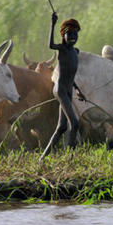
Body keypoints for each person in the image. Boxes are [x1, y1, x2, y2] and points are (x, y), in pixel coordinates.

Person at [40, 12, 86, 158]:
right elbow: (50, 45)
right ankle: (69, 158)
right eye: (69, 34)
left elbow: (70, 76)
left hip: (69, 90)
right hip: (60, 90)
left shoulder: (75, 52)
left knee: (62, 127)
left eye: (75, 34)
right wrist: (53, 23)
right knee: (75, 123)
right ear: (64, 36)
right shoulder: (63, 50)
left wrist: (78, 90)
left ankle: (42, 158)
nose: (73, 37)